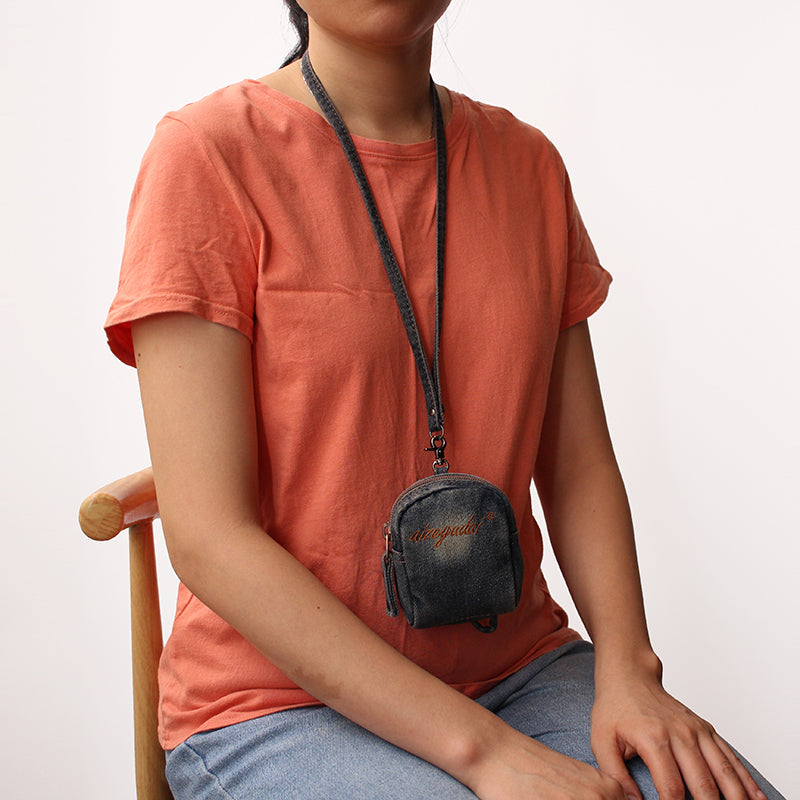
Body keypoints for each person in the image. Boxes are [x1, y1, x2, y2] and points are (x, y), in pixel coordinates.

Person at [104, 2, 785, 798]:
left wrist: (630, 672)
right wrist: (484, 754)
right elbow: (210, 538)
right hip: (277, 702)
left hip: (521, 670)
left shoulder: (528, 164)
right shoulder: (207, 155)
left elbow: (577, 467)